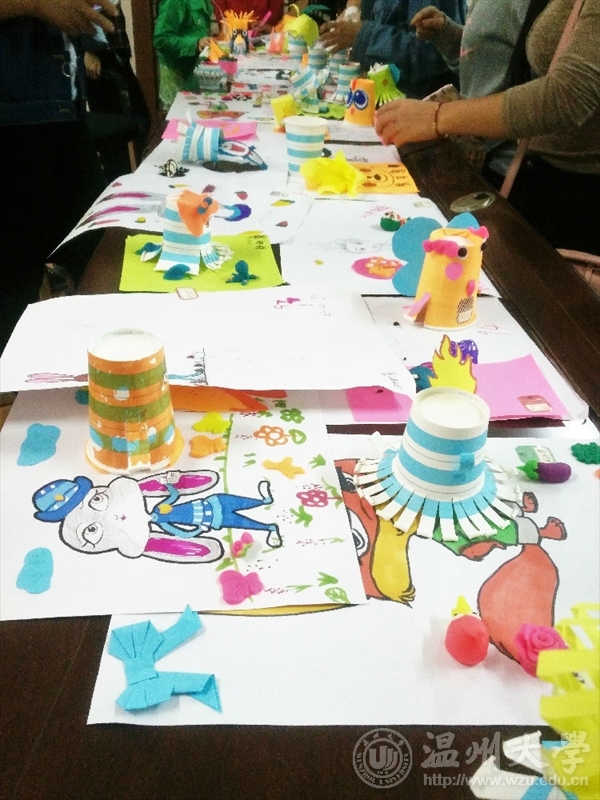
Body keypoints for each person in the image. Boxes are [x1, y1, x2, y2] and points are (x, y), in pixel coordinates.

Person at [375, 0, 600, 255]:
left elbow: (568, 96)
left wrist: (438, 117)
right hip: (531, 177)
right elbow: (512, 62)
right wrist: (452, 38)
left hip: (575, 195)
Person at [0, 0, 117, 356]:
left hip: (63, 112)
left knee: (100, 256)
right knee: (12, 288)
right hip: (12, 125)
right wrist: (36, 4)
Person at [411, 0, 532, 179]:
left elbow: (543, 91)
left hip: (506, 168)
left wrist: (440, 117)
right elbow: (490, 60)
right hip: (473, 155)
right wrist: (447, 34)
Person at [318, 0, 467, 98]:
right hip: (385, 102)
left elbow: (431, 55)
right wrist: (353, 9)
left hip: (420, 112)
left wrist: (363, 35)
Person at [83, 1, 151, 179]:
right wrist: (85, 51)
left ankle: (134, 176)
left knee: (141, 119)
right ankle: (119, 182)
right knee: (115, 135)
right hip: (99, 60)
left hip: (117, 54)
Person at [153, 0, 214, 110]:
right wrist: (196, 43)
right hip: (177, 72)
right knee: (179, 116)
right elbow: (161, 39)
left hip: (195, 69)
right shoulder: (173, 2)